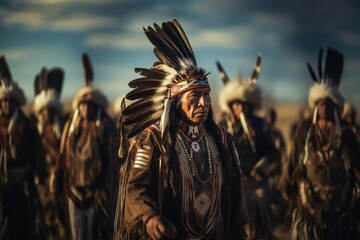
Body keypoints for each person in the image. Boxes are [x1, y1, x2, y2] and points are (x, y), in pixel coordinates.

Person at [114, 19, 248, 240]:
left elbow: (235, 194)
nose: (203, 104)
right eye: (195, 97)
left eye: (206, 96)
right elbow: (135, 188)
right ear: (175, 101)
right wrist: (149, 218)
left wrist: (239, 232)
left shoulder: (223, 140)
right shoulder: (154, 139)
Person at [279, 47, 360, 239]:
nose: (323, 105)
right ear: (315, 105)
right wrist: (285, 185)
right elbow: (293, 159)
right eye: (320, 102)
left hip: (341, 207)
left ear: (335, 106)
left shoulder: (347, 133)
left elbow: (357, 164)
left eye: (328, 102)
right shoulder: (305, 129)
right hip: (309, 206)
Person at [50, 53, 118, 240]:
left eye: (90, 105)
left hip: (96, 193)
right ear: (78, 107)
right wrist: (57, 179)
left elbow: (112, 163)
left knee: (96, 234)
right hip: (73, 191)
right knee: (78, 235)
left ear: (96, 107)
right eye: (83, 105)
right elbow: (62, 155)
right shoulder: (71, 128)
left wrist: (106, 193)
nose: (86, 109)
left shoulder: (104, 127)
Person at [216, 57, 278, 239]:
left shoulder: (260, 125)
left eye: (243, 104)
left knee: (259, 215)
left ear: (250, 105)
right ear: (230, 105)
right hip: (229, 183)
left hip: (255, 182)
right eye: (236, 104)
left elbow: (272, 152)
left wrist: (263, 168)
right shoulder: (221, 125)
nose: (240, 107)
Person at [0, 55, 46, 239]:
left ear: (16, 103)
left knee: (22, 224)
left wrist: (40, 174)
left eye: (10, 101)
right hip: (1, 182)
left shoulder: (26, 124)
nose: (7, 104)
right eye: (4, 101)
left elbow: (37, 151)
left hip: (22, 181)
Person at [33, 67, 67, 239]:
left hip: (59, 178)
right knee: (44, 215)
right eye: (44, 110)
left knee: (60, 214)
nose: (46, 114)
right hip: (41, 179)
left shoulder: (61, 127)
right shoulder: (35, 129)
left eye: (50, 110)